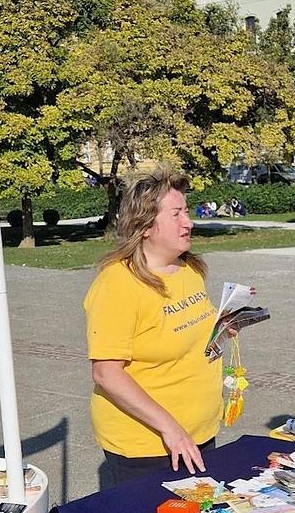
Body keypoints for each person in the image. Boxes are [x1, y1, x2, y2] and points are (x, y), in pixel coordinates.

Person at [84, 165, 223, 485]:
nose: (188, 222)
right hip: (150, 445)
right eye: (176, 214)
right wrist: (170, 427)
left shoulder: (190, 269)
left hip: (198, 433)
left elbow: (184, 331)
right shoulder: (118, 284)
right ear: (144, 225)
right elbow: (106, 373)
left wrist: (223, 326)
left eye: (186, 212)